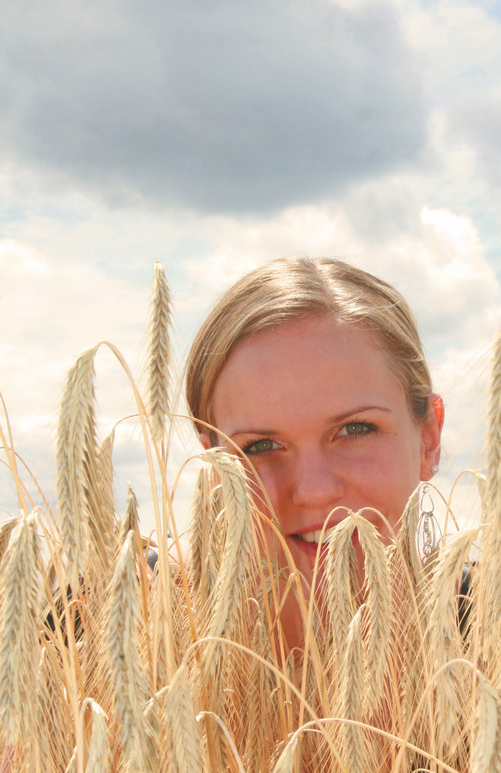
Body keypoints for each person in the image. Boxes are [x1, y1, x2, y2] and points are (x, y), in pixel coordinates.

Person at [185, 256, 444, 600]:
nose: (314, 491)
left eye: (355, 429)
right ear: (215, 473)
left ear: (428, 439)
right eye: (261, 446)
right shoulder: (128, 641)